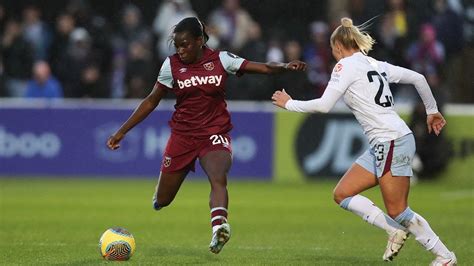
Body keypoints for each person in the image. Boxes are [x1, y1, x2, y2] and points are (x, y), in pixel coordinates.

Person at [107, 17, 306, 254]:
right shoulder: (171, 66)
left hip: (214, 131)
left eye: (186, 45)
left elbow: (261, 67)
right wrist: (121, 132)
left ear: (200, 41)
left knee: (218, 176)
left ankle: (219, 228)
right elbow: (151, 101)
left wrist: (284, 66)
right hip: (182, 137)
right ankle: (161, 198)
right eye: (177, 45)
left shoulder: (221, 59)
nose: (181, 50)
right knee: (163, 200)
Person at [272, 18, 456, 265]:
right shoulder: (376, 64)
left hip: (391, 141)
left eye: (333, 49)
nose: (334, 54)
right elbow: (419, 78)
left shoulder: (344, 66)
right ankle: (393, 230)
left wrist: (289, 103)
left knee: (398, 211)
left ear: (338, 46)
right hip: (387, 141)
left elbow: (325, 105)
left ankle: (444, 256)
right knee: (343, 193)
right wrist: (431, 110)